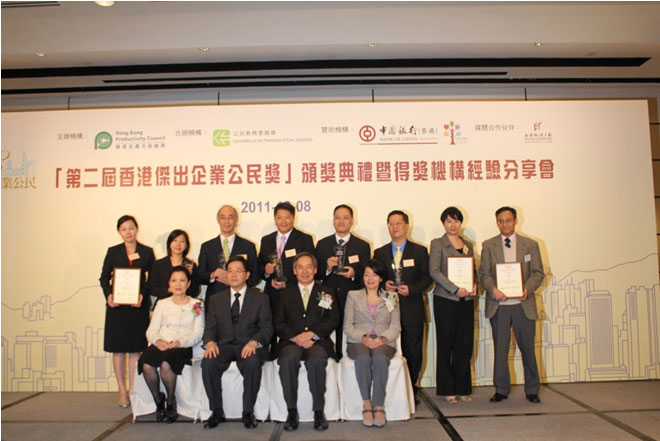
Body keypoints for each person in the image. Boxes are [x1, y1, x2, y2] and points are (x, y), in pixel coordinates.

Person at [479, 206, 545, 404]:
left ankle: (532, 390)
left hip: (523, 304)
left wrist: (527, 289)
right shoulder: (488, 245)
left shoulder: (530, 244)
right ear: (497, 222)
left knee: (528, 349)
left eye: (508, 220)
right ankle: (501, 389)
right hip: (499, 305)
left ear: (516, 221)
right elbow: (484, 274)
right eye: (501, 220)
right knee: (500, 350)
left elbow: (538, 273)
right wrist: (494, 290)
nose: (504, 224)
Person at [201, 256, 273, 429]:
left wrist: (254, 343)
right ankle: (216, 412)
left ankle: (248, 412)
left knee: (252, 362)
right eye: (230, 271)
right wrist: (210, 343)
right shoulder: (216, 299)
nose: (233, 275)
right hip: (224, 345)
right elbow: (210, 327)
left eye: (238, 271)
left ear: (247, 275)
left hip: (248, 345)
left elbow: (266, 328)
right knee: (209, 362)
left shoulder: (261, 298)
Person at [273, 252, 339, 431]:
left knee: (317, 359)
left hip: (318, 342)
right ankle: (291, 412)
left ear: (315, 269)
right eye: (300, 267)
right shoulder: (285, 294)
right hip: (291, 342)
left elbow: (333, 319)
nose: (304, 271)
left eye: (308, 267)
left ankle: (318, 411)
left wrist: (313, 335)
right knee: (287, 359)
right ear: (294, 271)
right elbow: (278, 322)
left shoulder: (327, 292)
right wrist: (296, 338)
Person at [373, 210, 432, 405]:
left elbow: (427, 277)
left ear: (407, 226)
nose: (395, 227)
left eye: (398, 223)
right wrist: (384, 284)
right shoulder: (380, 253)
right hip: (387, 311)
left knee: (413, 352)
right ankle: (391, 390)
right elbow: (374, 276)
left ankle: (410, 390)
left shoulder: (420, 251)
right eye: (391, 224)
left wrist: (412, 289)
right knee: (389, 352)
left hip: (412, 308)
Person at [99, 214, 155, 407]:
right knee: (118, 350)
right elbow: (103, 278)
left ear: (136, 229)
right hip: (117, 308)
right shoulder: (113, 251)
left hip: (137, 307)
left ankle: (133, 389)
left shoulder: (146, 252)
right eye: (124, 229)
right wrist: (109, 295)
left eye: (131, 227)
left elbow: (152, 279)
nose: (128, 232)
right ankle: (121, 391)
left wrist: (142, 295)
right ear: (119, 232)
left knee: (134, 350)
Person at [138, 266, 204, 423]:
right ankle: (158, 400)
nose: (178, 284)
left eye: (182, 280)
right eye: (174, 280)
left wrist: (179, 342)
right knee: (146, 363)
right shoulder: (162, 303)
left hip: (181, 346)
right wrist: (158, 342)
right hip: (161, 343)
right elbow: (151, 330)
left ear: (188, 283)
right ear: (169, 283)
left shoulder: (196, 304)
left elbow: (198, 333)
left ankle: (170, 401)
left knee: (166, 364)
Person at [429, 207, 478, 404]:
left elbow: (473, 270)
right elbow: (434, 271)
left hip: (466, 301)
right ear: (443, 223)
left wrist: (474, 284)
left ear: (461, 223)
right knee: (445, 344)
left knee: (464, 345)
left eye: (456, 221)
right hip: (446, 300)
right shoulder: (437, 243)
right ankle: (447, 389)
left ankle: (463, 387)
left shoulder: (468, 245)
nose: (453, 225)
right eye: (449, 221)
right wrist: (455, 289)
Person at [344, 258, 401, 427]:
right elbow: (348, 325)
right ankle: (367, 403)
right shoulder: (353, 296)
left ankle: (379, 404)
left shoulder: (391, 296)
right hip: (358, 341)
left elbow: (395, 326)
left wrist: (383, 339)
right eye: (367, 274)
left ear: (381, 278)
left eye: (374, 275)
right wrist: (363, 337)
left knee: (379, 357)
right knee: (363, 358)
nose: (370, 278)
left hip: (384, 342)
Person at [258, 201, 315, 355]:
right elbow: (258, 266)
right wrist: (266, 270)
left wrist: (288, 284)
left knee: (292, 330)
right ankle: (269, 356)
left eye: (287, 217)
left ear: (293, 218)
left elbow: (309, 269)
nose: (283, 221)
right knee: (270, 326)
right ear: (274, 219)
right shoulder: (266, 240)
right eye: (279, 217)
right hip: (272, 293)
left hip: (295, 293)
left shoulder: (304, 239)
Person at [315, 204, 371, 358]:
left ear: (352, 220)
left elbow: (368, 274)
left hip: (352, 297)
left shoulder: (362, 246)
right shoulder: (322, 244)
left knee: (350, 337)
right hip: (327, 298)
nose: (341, 221)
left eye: (345, 218)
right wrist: (327, 267)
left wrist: (354, 274)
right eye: (337, 217)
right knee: (326, 334)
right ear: (333, 220)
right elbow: (315, 274)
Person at [198, 205, 259, 309]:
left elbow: (255, 277)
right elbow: (199, 276)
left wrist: (237, 283)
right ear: (218, 220)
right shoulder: (207, 247)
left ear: (236, 220)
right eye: (223, 217)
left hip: (241, 302)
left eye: (230, 217)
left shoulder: (248, 246)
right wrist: (212, 275)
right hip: (215, 302)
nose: (226, 221)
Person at [148, 229, 199, 303]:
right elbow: (152, 289)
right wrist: (169, 290)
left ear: (186, 245)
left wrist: (190, 275)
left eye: (182, 241)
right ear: (169, 243)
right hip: (163, 304)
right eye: (175, 240)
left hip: (184, 305)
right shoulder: (158, 264)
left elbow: (195, 293)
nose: (178, 244)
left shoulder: (191, 265)